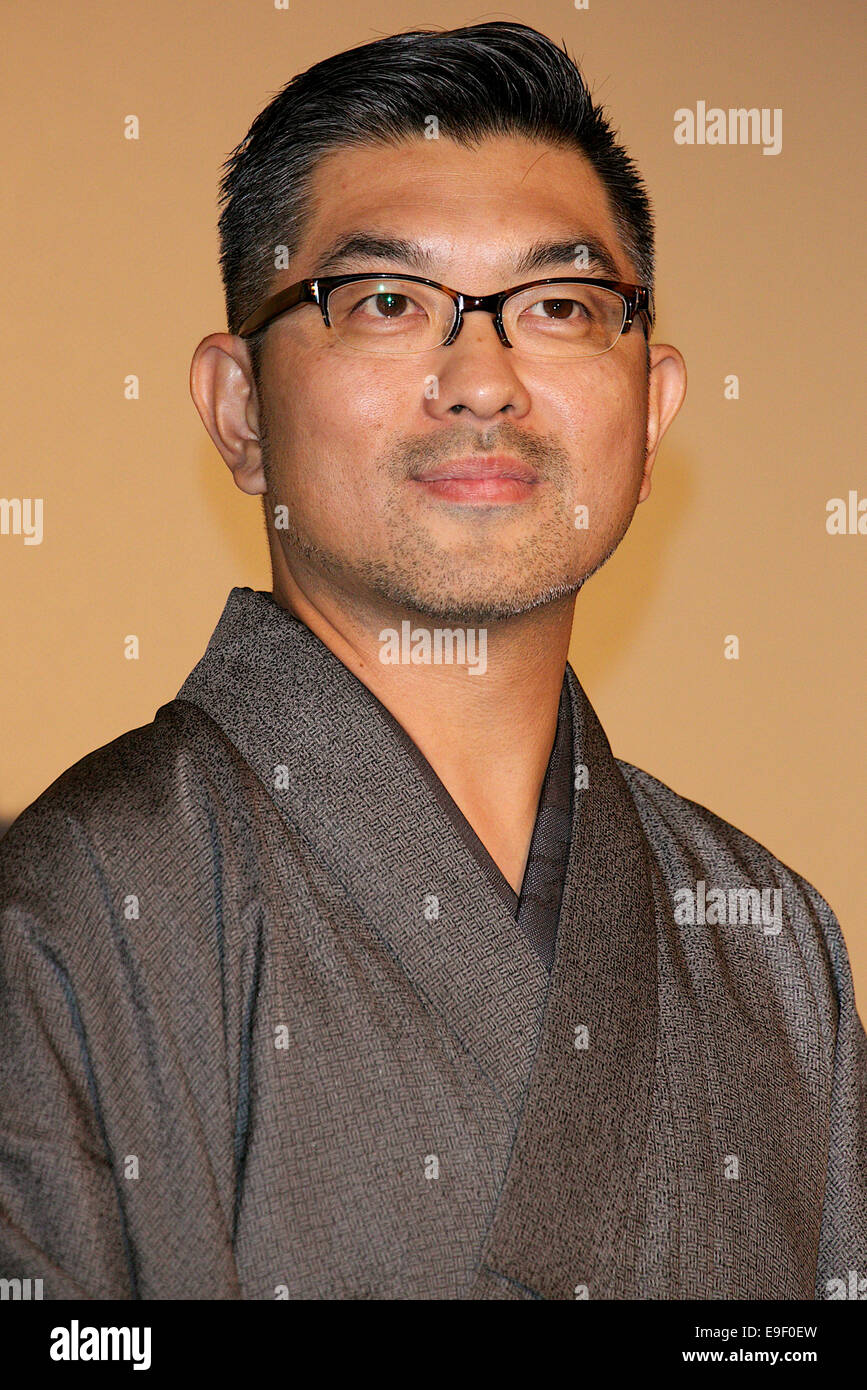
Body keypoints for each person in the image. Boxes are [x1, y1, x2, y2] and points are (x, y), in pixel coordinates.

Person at [1, 21, 864, 1301]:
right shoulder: (80, 906)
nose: (483, 379)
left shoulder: (770, 940)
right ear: (240, 410)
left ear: (652, 407)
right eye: (388, 301)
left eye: (561, 307)